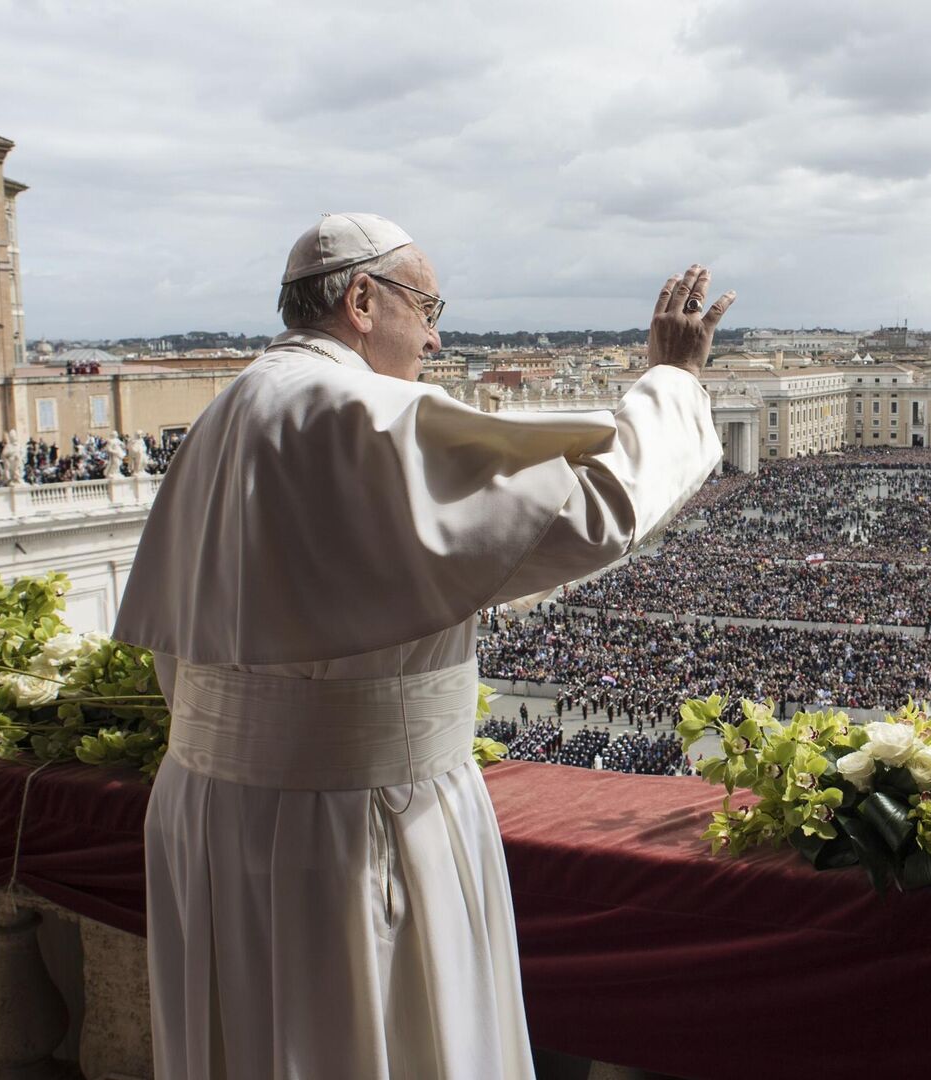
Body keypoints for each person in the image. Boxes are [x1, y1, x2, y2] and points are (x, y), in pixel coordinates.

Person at [114, 212, 733, 1079]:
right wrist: (671, 378)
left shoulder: (228, 412)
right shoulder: (355, 411)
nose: (437, 337)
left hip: (207, 811)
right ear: (362, 299)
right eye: (429, 305)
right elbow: (594, 510)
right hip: (356, 819)